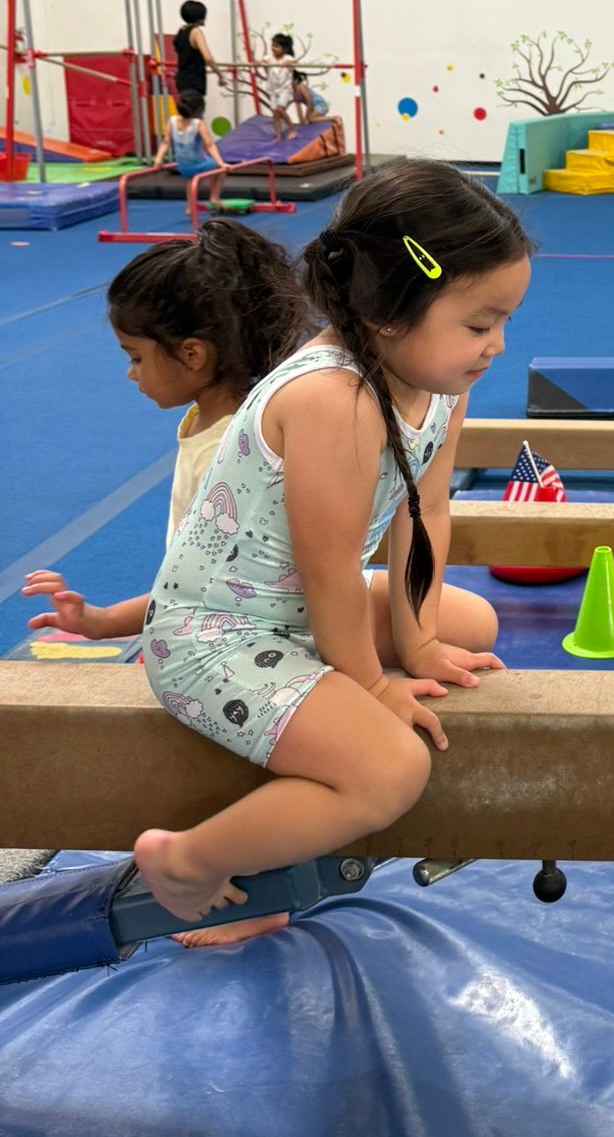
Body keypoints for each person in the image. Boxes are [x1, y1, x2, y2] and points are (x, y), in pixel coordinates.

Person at [130, 161, 533, 941]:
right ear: (386, 310)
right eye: (479, 324)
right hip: (214, 635)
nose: (497, 345)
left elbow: (426, 511)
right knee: (391, 770)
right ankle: (190, 859)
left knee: (467, 625)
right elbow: (328, 571)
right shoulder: (331, 399)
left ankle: (319, 738)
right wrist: (371, 687)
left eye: (504, 321)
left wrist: (418, 642)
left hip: (290, 616)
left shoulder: (440, 383)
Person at [22, 221, 309, 645]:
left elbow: (204, 591)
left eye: (136, 357)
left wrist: (105, 621)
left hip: (233, 640)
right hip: (224, 619)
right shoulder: (215, 422)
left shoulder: (229, 453)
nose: (130, 372)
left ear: (192, 354)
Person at [155, 90, 229, 215]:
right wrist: (221, 163)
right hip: (198, 165)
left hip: (183, 167)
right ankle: (214, 197)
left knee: (192, 180)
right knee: (220, 170)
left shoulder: (171, 121)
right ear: (199, 110)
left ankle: (190, 207)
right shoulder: (198, 124)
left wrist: (158, 159)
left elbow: (165, 142)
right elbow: (210, 145)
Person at [172, 0, 224, 106]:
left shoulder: (181, 32)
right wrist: (220, 75)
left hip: (182, 79)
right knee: (194, 113)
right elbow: (208, 58)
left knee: (186, 111)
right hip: (193, 81)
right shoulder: (196, 32)